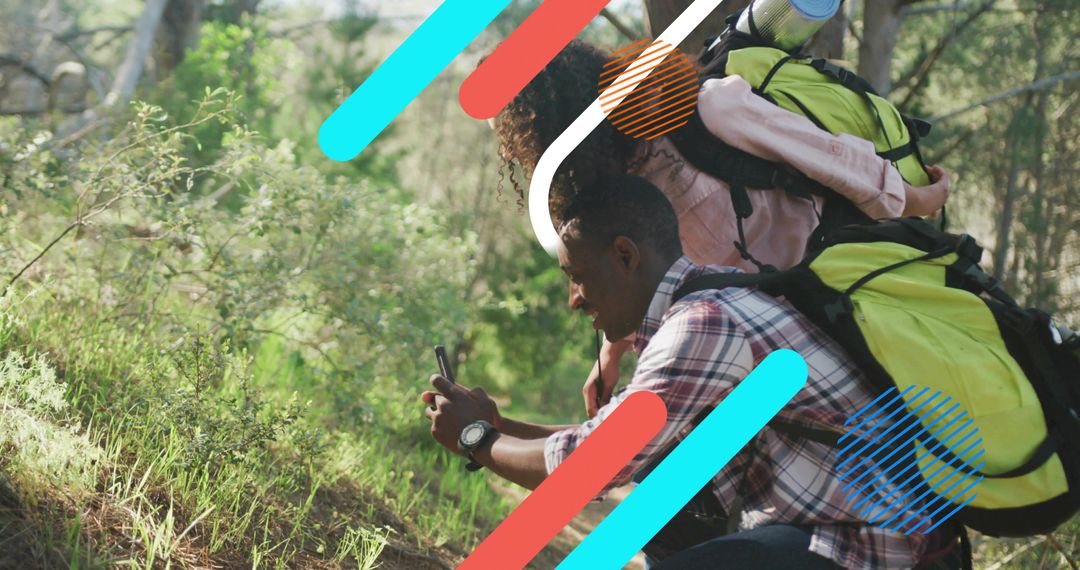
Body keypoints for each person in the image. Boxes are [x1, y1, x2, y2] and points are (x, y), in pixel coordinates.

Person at [422, 174, 961, 569]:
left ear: (626, 255)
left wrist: (476, 438)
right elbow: (607, 445)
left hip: (864, 550)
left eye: (578, 276)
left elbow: (590, 469)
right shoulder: (707, 297)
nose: (573, 300)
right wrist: (501, 427)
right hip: (831, 537)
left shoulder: (702, 325)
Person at [489, 40, 951, 419]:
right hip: (754, 346)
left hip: (832, 298)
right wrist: (609, 358)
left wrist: (912, 198)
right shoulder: (617, 191)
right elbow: (647, 278)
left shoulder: (707, 111)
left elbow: (827, 155)